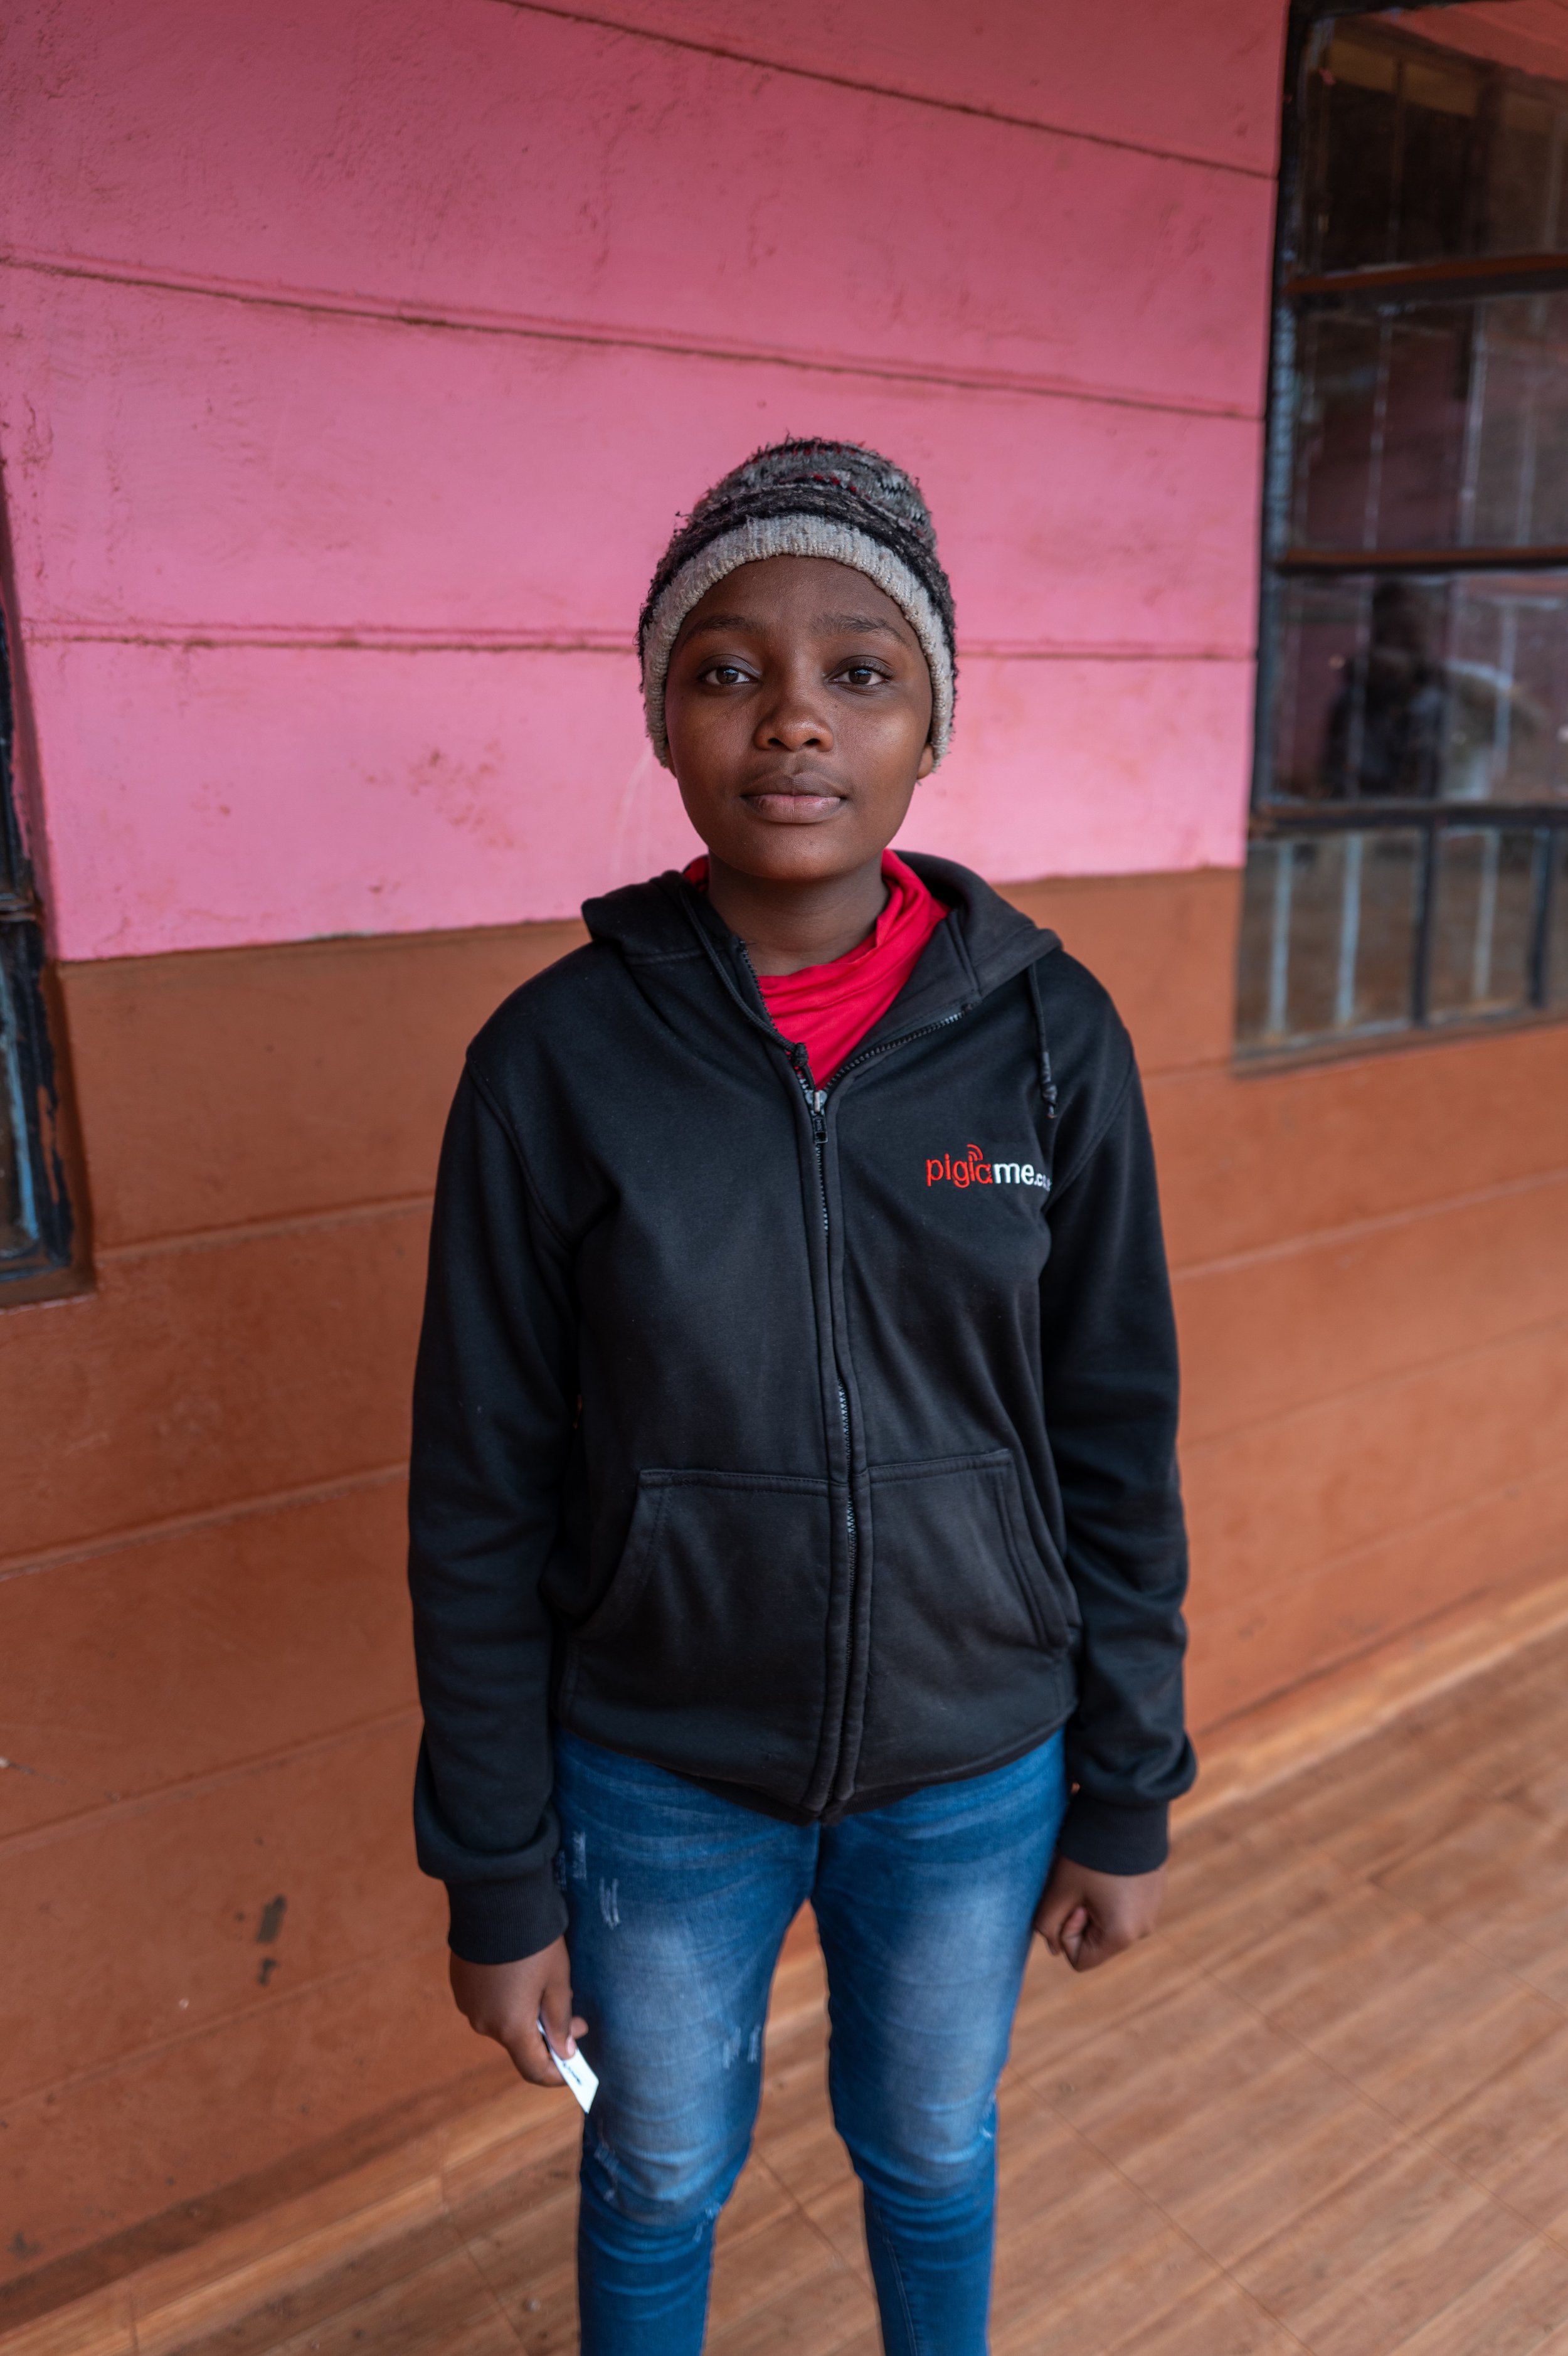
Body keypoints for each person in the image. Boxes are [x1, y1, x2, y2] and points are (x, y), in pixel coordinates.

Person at [408, 438, 1195, 2355]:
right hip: (658, 1769)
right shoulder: (555, 1062)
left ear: (934, 726)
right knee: (660, 2164)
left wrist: (1126, 1778)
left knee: (928, 2146)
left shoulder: (1048, 1034)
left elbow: (1111, 1425)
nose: (791, 721)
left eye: (860, 671)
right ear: (661, 721)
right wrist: (497, 1870)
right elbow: (479, 1490)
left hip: (974, 1761)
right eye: (725, 669)